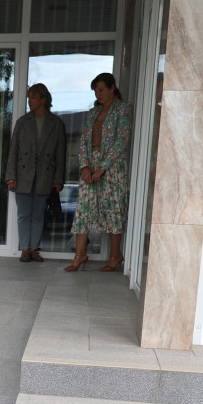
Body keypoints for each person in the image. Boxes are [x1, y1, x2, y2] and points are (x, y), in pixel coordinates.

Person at [66, 73, 133, 272]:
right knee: (83, 209)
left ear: (112, 88)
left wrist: (103, 167)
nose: (98, 94)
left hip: (112, 168)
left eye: (101, 90)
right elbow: (84, 141)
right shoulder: (93, 112)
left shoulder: (123, 109)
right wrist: (85, 166)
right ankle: (79, 255)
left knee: (113, 210)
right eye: (96, 91)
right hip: (91, 164)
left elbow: (121, 140)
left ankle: (115, 255)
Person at [5, 83, 67, 262]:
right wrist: (11, 175)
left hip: (45, 176)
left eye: (33, 97)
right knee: (24, 213)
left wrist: (58, 179)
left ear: (43, 99)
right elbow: (13, 150)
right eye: (29, 97)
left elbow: (60, 154)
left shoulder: (56, 124)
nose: (29, 101)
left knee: (39, 214)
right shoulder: (23, 122)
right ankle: (25, 248)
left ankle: (34, 248)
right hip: (23, 175)